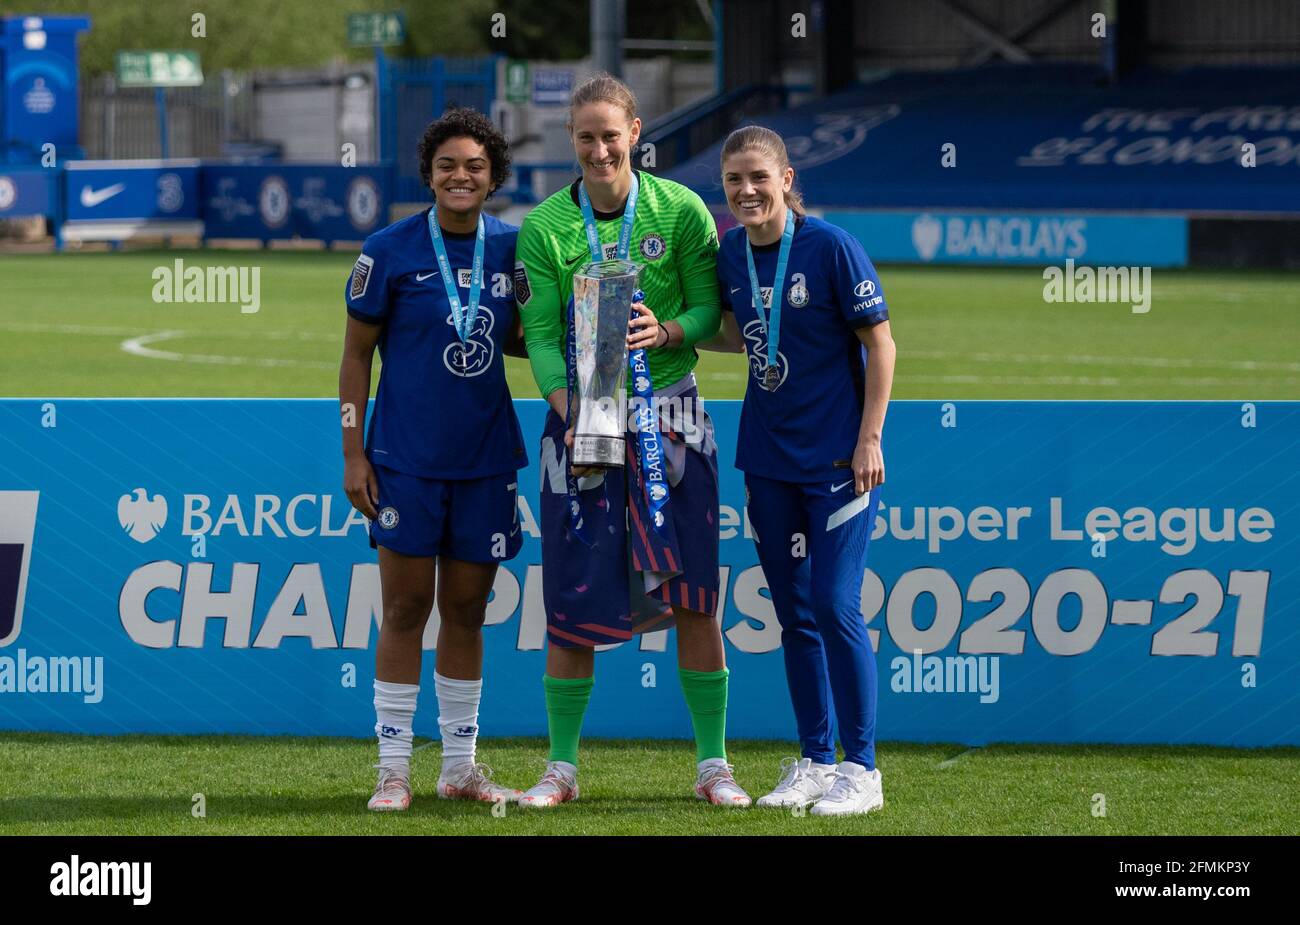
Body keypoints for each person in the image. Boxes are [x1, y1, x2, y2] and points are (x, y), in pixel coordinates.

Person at [513, 74, 750, 807]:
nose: (598, 148)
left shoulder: (679, 211)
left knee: (693, 595)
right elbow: (543, 336)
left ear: (636, 133)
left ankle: (713, 764)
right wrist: (569, 410)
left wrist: (670, 329)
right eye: (585, 136)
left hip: (671, 420)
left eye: (610, 134)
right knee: (573, 598)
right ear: (572, 141)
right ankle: (561, 767)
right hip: (583, 427)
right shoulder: (546, 226)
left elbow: (715, 309)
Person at [704, 124, 896, 815]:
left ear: (786, 178)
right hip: (767, 458)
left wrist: (870, 437)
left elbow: (881, 342)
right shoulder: (730, 252)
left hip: (839, 461)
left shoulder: (831, 247)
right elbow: (741, 331)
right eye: (734, 180)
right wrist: (671, 329)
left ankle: (862, 770)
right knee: (793, 614)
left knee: (834, 603)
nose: (746, 190)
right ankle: (816, 759)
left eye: (759, 176)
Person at [340, 108, 528, 811]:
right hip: (404, 461)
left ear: (493, 177)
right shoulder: (387, 249)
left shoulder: (514, 248)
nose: (461, 176)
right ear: (429, 173)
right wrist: (353, 451)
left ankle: (459, 765)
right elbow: (356, 356)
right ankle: (393, 769)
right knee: (405, 606)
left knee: (468, 610)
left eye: (475, 167)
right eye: (448, 165)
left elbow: (519, 337)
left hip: (484, 460)